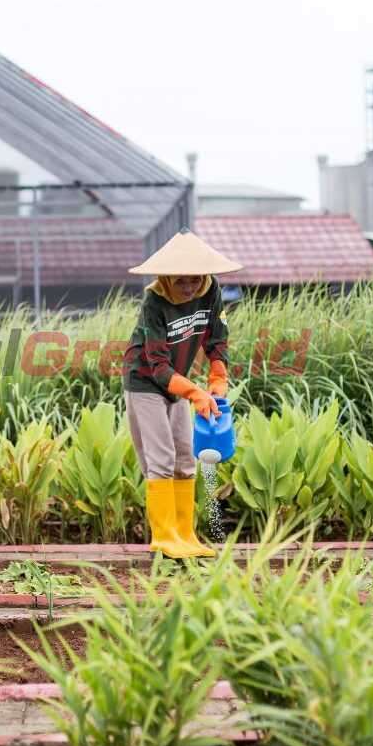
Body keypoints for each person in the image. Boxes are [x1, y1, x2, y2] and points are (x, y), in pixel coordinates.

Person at [123, 229, 243, 559]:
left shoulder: (210, 290)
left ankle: (186, 534)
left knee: (186, 459)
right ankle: (164, 537)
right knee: (160, 460)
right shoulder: (154, 302)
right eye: (180, 281)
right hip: (146, 383)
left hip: (178, 383)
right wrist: (194, 392)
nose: (189, 287)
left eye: (194, 279)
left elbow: (216, 338)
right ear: (166, 278)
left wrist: (217, 376)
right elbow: (157, 365)